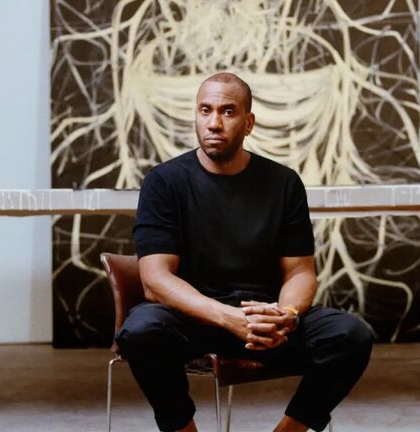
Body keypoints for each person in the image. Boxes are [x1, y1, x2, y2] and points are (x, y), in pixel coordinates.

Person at [115, 72, 373, 432]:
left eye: (227, 111)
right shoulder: (165, 182)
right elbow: (156, 281)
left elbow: (299, 270)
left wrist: (286, 313)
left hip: (262, 319)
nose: (214, 123)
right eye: (205, 110)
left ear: (249, 122)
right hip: (195, 319)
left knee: (351, 335)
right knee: (142, 331)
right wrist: (225, 317)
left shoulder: (282, 183)